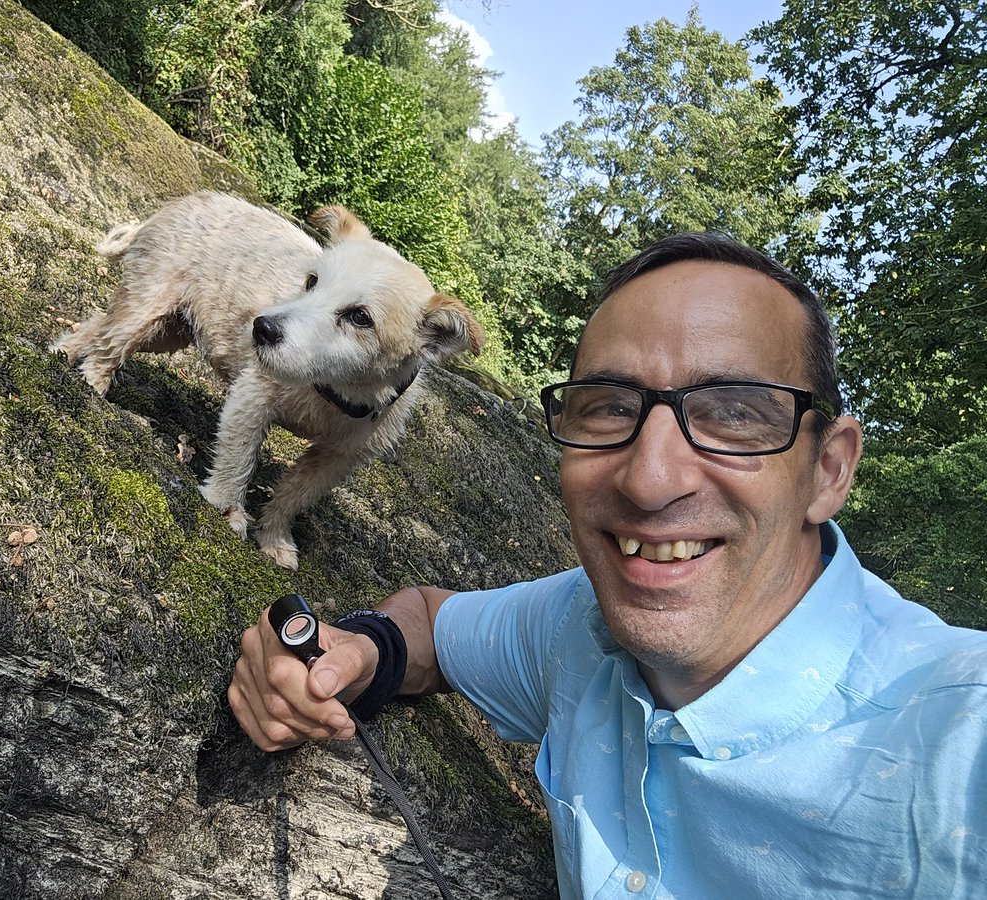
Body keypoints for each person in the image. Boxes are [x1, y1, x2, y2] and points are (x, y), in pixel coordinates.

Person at [228, 232, 987, 899]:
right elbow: (428, 624)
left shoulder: (956, 743)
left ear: (827, 469)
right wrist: (357, 654)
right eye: (609, 406)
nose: (651, 478)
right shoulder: (581, 632)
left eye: (733, 411)